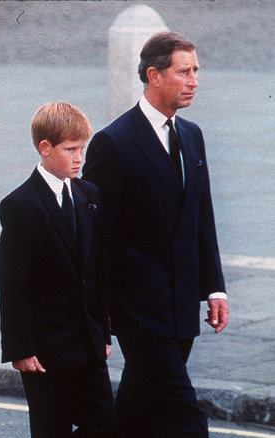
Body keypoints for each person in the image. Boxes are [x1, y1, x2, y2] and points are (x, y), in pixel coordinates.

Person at [83, 31, 228, 438]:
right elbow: (96, 236)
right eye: (184, 72)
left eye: (196, 70)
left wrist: (215, 288)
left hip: (181, 306)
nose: (194, 80)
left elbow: (202, 216)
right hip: (137, 312)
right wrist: (99, 310)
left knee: (137, 411)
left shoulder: (193, 135)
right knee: (184, 416)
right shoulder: (114, 143)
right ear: (154, 75)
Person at [0, 103, 116, 437]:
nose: (80, 157)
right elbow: (13, 283)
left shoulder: (89, 194)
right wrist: (20, 348)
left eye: (83, 149)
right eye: (71, 150)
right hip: (45, 346)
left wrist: (103, 332)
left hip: (88, 341)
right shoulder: (20, 205)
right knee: (52, 427)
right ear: (45, 148)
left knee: (105, 424)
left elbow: (98, 270)